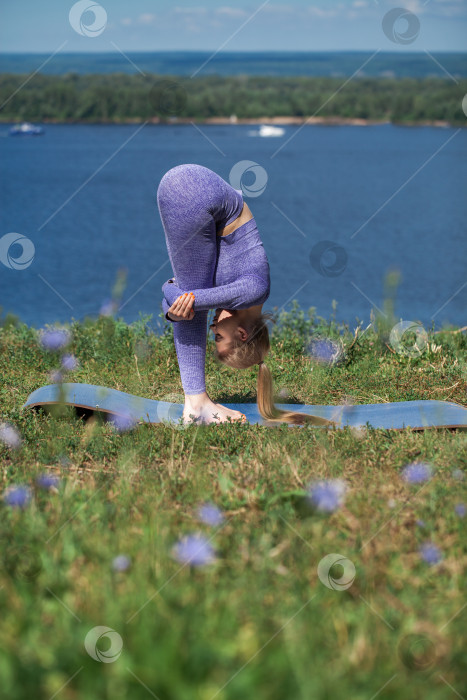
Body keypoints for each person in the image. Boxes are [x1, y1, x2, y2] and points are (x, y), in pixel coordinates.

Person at [157, 163, 335, 427]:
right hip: (192, 191)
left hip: (189, 187)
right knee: (192, 312)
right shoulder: (255, 288)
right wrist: (170, 295)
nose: (213, 326)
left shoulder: (243, 299)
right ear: (242, 334)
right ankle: (196, 405)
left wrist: (174, 303)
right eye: (218, 335)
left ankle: (196, 403)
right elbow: (188, 299)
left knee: (189, 310)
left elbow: (181, 297)